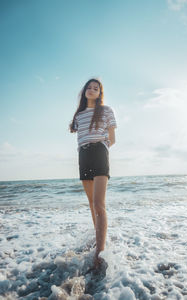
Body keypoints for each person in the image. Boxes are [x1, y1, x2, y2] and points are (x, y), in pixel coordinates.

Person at [69, 77, 117, 269]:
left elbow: (112, 139)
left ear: (100, 93)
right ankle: (98, 240)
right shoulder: (79, 115)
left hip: (99, 152)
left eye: (95, 88)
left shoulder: (106, 111)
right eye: (89, 87)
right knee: (91, 204)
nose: (92, 90)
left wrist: (102, 147)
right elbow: (78, 136)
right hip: (84, 154)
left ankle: (100, 251)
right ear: (84, 91)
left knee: (99, 204)